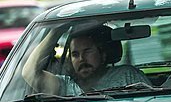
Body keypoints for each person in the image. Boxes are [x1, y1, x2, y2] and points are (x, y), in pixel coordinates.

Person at [22, 24, 150, 95]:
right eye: (75, 54)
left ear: (103, 54)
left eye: (87, 51)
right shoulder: (64, 85)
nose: (81, 59)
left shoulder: (127, 75)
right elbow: (29, 73)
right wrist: (56, 31)